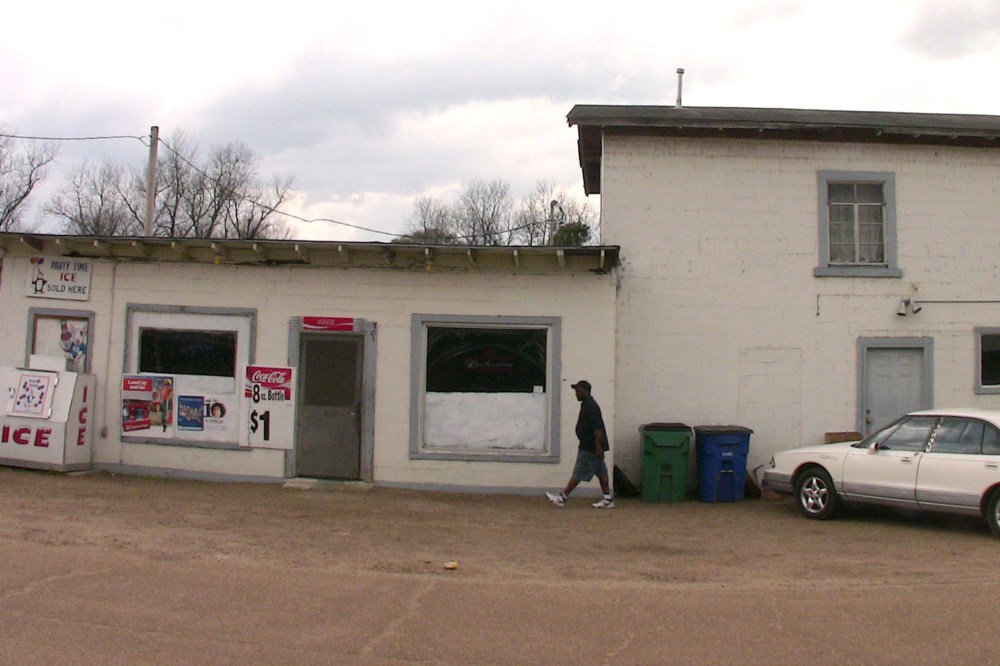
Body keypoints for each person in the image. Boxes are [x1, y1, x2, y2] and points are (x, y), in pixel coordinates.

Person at [546, 380, 614, 508]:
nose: (576, 394)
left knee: (578, 472)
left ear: (585, 391)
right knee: (601, 471)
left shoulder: (591, 406)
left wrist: (598, 447)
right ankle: (607, 498)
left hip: (590, 447)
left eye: (578, 391)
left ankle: (562, 497)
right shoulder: (586, 405)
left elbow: (597, 428)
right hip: (591, 445)